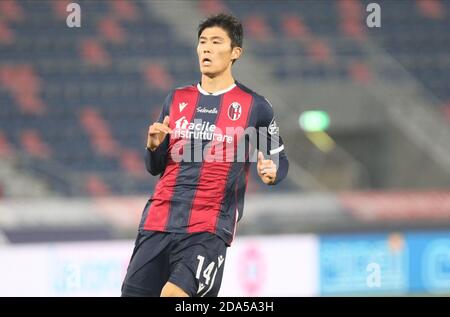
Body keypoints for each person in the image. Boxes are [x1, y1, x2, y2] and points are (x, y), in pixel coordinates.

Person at [121, 13, 289, 297]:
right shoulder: (176, 99)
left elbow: (279, 159)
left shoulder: (255, 107)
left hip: (208, 227)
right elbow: (155, 168)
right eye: (202, 42)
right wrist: (153, 147)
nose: (206, 48)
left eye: (215, 42)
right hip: (158, 220)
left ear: (235, 52)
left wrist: (273, 173)